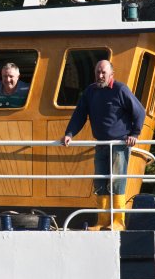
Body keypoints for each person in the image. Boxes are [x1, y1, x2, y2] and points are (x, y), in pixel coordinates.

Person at [61, 60, 145, 231]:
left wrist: (134, 134)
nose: (100, 76)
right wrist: (69, 133)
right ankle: (102, 220)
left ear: (111, 74)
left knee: (117, 181)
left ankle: (118, 222)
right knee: (100, 181)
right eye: (98, 72)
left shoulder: (120, 90)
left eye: (103, 73)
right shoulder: (90, 92)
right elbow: (80, 114)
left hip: (119, 143)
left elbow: (140, 111)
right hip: (101, 143)